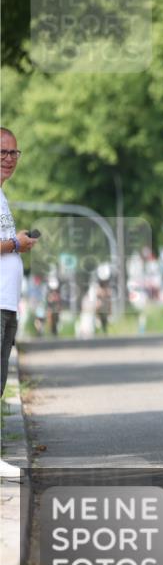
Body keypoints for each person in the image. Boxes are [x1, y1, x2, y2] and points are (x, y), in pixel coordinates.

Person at [1, 127, 37, 396]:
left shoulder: (2, 197)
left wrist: (17, 243)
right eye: (3, 152)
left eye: (14, 152)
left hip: (7, 302)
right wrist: (15, 244)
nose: (9, 158)